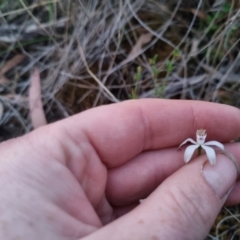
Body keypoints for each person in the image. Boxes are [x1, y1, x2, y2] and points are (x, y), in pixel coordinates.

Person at [0, 99, 240, 240]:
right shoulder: (193, 147)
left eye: (201, 135)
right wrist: (194, 195)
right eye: (199, 135)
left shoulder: (208, 147)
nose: (199, 135)